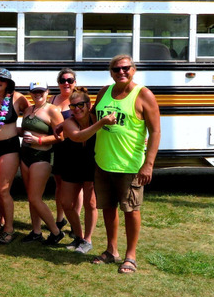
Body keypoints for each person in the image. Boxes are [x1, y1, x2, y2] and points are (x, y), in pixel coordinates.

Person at [91, 55, 161, 274]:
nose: (121, 72)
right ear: (110, 72)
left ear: (134, 69)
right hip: (103, 162)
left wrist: (148, 164)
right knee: (108, 208)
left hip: (130, 166)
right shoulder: (104, 92)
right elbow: (92, 117)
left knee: (131, 210)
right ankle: (112, 250)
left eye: (125, 68)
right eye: (116, 69)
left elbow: (156, 130)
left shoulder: (143, 95)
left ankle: (131, 256)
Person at [62, 87, 115, 254]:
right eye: (73, 106)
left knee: (91, 203)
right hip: (71, 162)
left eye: (80, 105)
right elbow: (78, 137)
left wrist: (142, 138)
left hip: (93, 162)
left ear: (89, 104)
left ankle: (88, 240)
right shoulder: (70, 122)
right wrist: (101, 124)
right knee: (67, 203)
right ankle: (78, 235)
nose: (77, 109)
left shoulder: (96, 117)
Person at [0, 68, 29, 244]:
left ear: (8, 83)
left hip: (9, 147)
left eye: (2, 79)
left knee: (3, 188)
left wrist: (25, 131)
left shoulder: (17, 98)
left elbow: (32, 114)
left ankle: (9, 229)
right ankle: (2, 221)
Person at [19, 81, 65, 245]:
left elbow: (61, 136)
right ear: (30, 93)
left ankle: (56, 232)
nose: (37, 94)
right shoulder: (28, 110)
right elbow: (25, 130)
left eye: (41, 91)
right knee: (31, 197)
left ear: (47, 92)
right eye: (34, 92)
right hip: (25, 155)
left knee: (34, 197)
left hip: (42, 156)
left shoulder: (52, 110)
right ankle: (36, 231)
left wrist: (39, 140)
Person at [50, 68, 80, 235]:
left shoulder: (78, 100)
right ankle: (60, 218)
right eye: (62, 80)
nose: (66, 83)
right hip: (57, 146)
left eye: (69, 80)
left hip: (74, 147)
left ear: (75, 83)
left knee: (77, 186)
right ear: (58, 83)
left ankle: (75, 222)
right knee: (59, 183)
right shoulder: (52, 99)